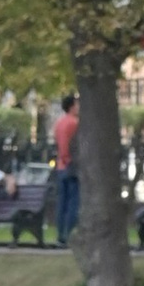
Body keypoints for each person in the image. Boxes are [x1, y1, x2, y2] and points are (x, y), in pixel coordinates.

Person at [51, 93, 80, 245]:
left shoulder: (59, 123)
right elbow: (71, 145)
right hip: (71, 165)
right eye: (77, 104)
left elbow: (59, 144)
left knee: (62, 202)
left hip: (61, 166)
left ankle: (60, 234)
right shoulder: (74, 123)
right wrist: (69, 159)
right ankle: (68, 234)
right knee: (73, 202)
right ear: (71, 106)